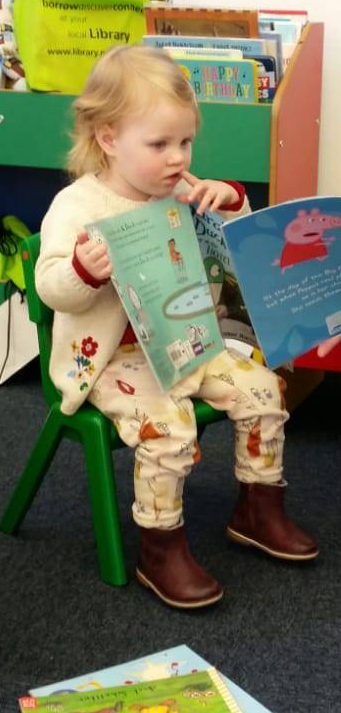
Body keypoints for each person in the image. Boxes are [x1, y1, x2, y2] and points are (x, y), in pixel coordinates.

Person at [35, 44, 318, 610]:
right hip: (112, 360)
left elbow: (236, 249)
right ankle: (160, 546)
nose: (176, 158)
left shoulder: (183, 190)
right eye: (159, 144)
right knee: (170, 427)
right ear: (109, 138)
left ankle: (258, 509)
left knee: (264, 389)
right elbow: (49, 288)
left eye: (185, 142)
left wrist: (231, 200)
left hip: (187, 339)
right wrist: (82, 271)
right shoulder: (78, 205)